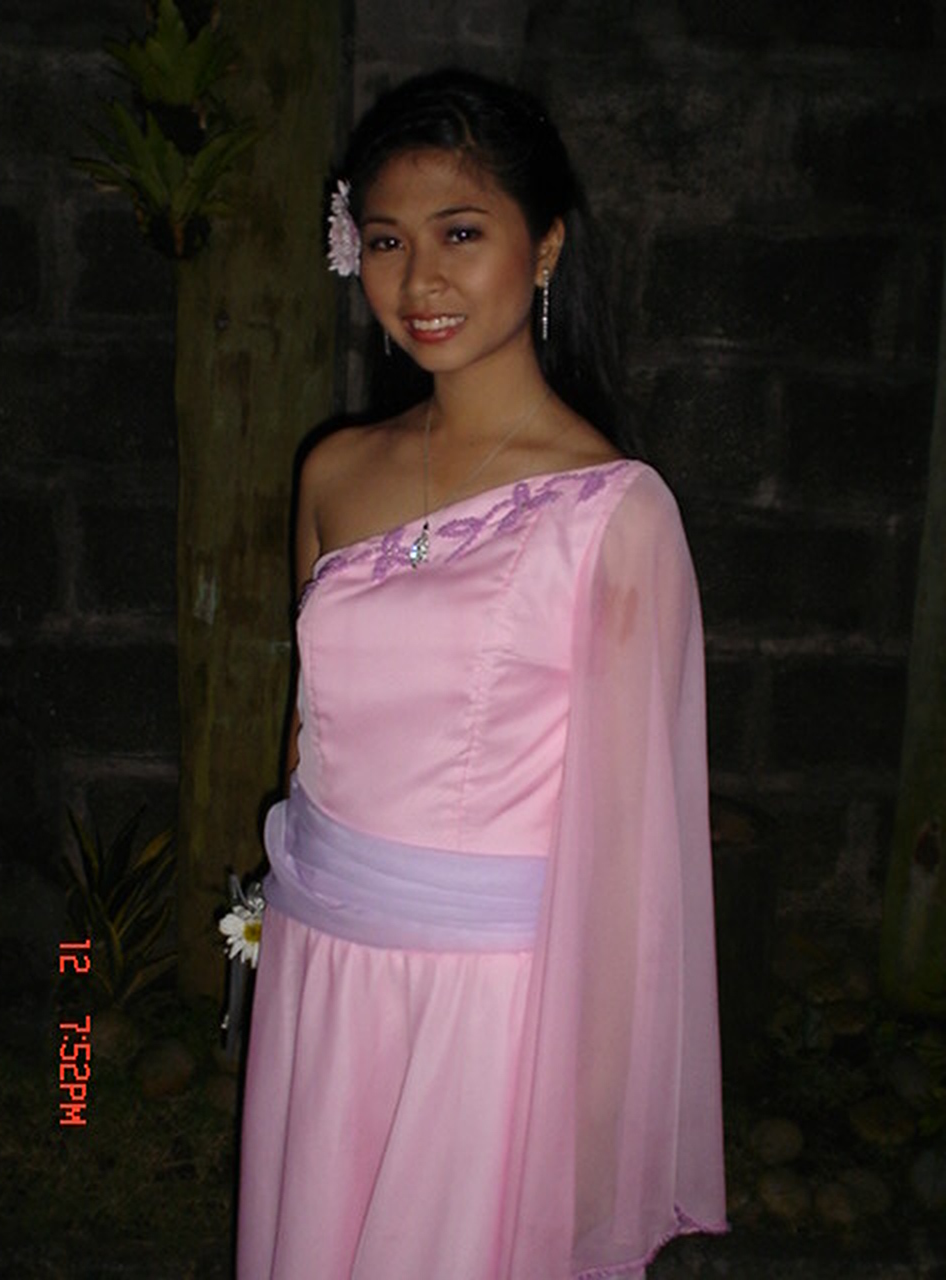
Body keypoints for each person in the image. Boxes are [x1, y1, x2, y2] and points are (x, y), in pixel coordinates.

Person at [237, 68, 726, 1280]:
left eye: (461, 234)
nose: (420, 281)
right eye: (387, 241)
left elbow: (634, 853)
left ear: (545, 245)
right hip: (324, 964)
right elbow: (311, 735)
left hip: (489, 1006)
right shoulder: (334, 470)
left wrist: (594, 1112)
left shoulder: (611, 512)